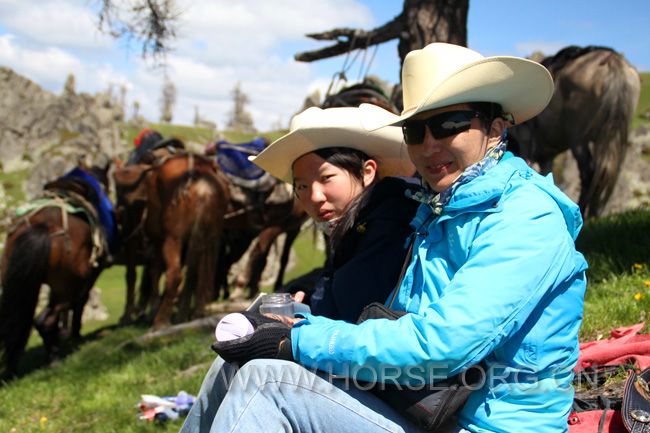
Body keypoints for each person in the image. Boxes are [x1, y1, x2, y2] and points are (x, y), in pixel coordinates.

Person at [181, 43, 588, 433]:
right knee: (238, 359)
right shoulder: (440, 209)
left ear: (495, 129)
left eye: (449, 124)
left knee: (267, 384)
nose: (429, 145)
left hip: (481, 425)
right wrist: (295, 323)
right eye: (415, 130)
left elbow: (440, 347)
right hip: (422, 408)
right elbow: (396, 322)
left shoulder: (525, 217)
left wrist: (298, 340)